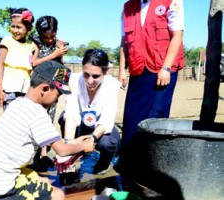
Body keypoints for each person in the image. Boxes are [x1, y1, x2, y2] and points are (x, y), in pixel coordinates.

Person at [0, 60, 94, 199]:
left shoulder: (18, 103)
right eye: (58, 95)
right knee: (58, 194)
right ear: (44, 89)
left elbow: (53, 140)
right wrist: (84, 146)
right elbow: (62, 150)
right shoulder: (38, 113)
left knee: (43, 180)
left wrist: (75, 142)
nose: (56, 101)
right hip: (2, 184)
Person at [117, 0, 184, 174]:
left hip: (162, 70)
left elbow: (177, 36)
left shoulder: (172, 1)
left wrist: (166, 68)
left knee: (155, 117)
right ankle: (129, 165)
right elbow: (124, 41)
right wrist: (122, 70)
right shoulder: (127, 7)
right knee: (132, 119)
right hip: (138, 69)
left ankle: (151, 167)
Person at [58, 49, 121, 176]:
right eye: (86, 74)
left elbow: (106, 120)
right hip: (80, 124)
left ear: (106, 72)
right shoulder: (74, 80)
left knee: (109, 142)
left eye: (96, 76)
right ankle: (72, 162)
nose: (90, 81)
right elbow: (71, 113)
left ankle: (102, 164)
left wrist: (91, 139)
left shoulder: (112, 85)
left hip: (98, 127)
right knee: (63, 118)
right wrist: (68, 144)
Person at [30, 15, 68, 172]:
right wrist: (53, 55)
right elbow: (33, 63)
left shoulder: (59, 44)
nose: (50, 40)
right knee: (35, 121)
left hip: (52, 90)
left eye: (52, 36)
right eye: (46, 37)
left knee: (48, 121)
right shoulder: (36, 42)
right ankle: (33, 156)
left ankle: (43, 155)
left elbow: (61, 69)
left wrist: (60, 55)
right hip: (38, 89)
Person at [0, 8, 37, 110]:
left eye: (19, 27)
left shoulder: (31, 45)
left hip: (26, 91)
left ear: (29, 28)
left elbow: (34, 64)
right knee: (10, 122)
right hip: (9, 90)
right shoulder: (7, 41)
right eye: (12, 26)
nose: (14, 30)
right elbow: (0, 65)